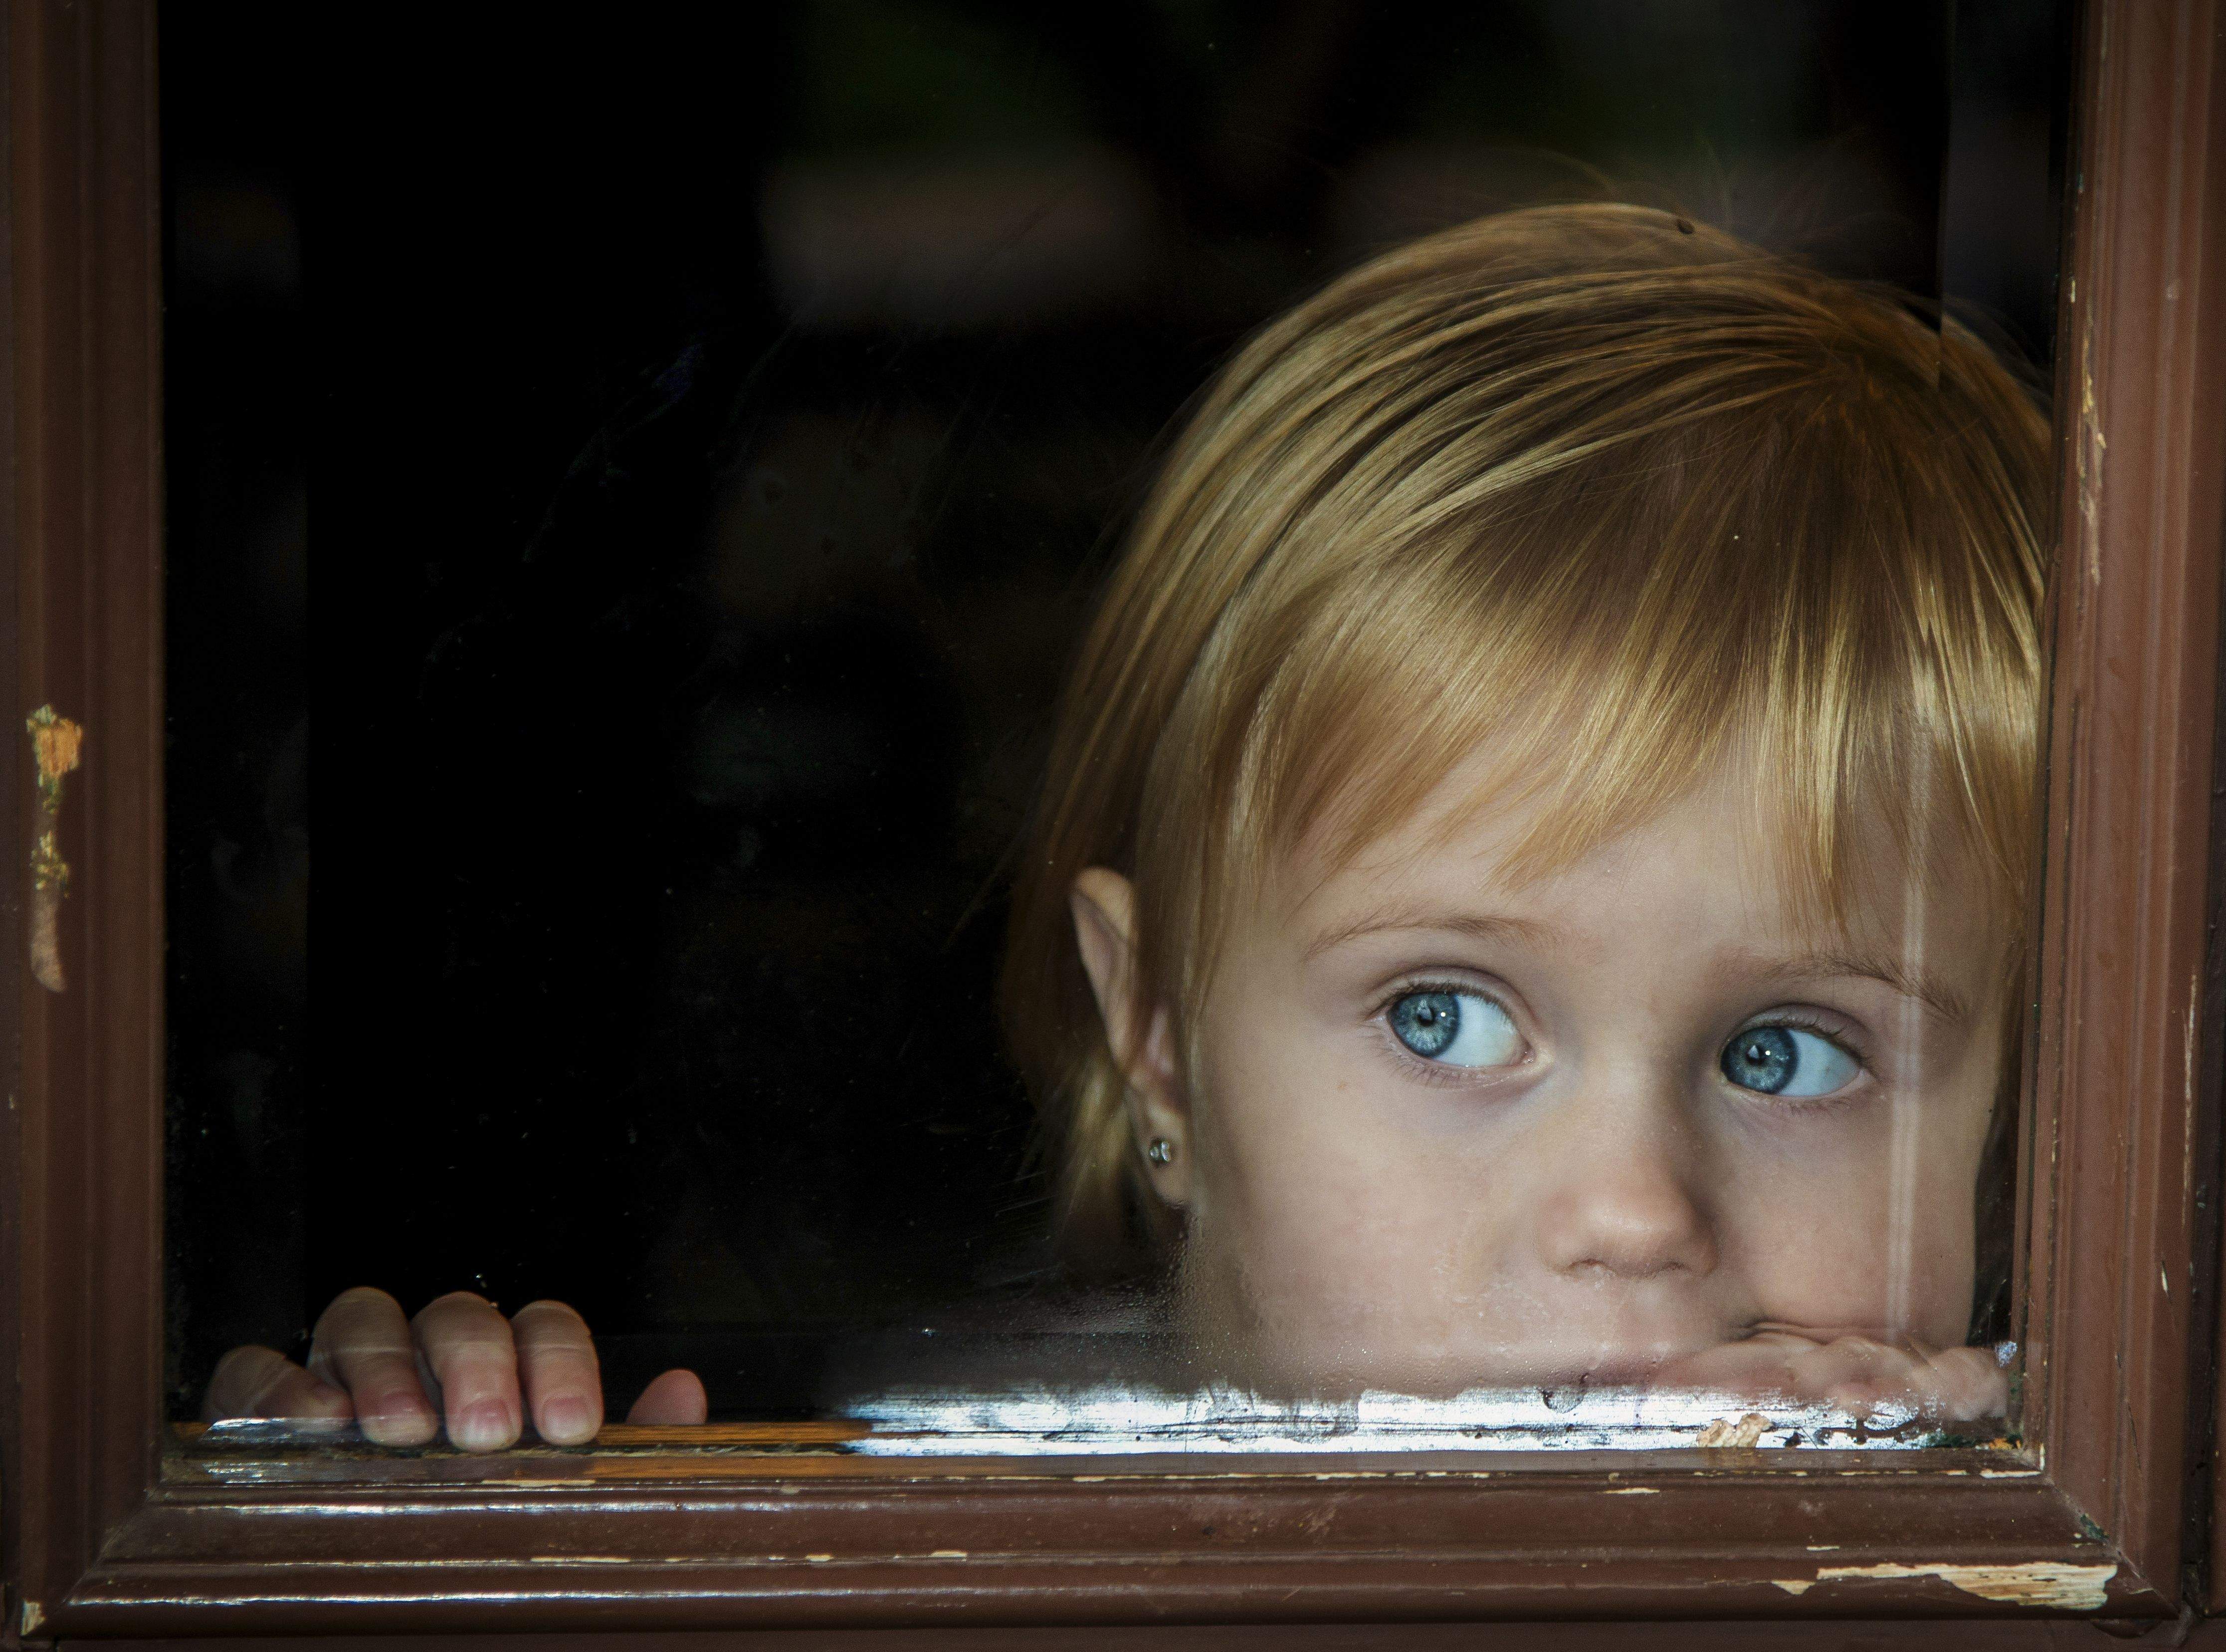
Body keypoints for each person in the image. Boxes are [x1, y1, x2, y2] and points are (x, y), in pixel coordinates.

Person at [208, 204, 2045, 1448]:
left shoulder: (2035, 1561)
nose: (1638, 1214)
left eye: (1795, 1051)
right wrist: (454, 1534)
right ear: (1158, 1033)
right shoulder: (945, 1507)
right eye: (1446, 1015)